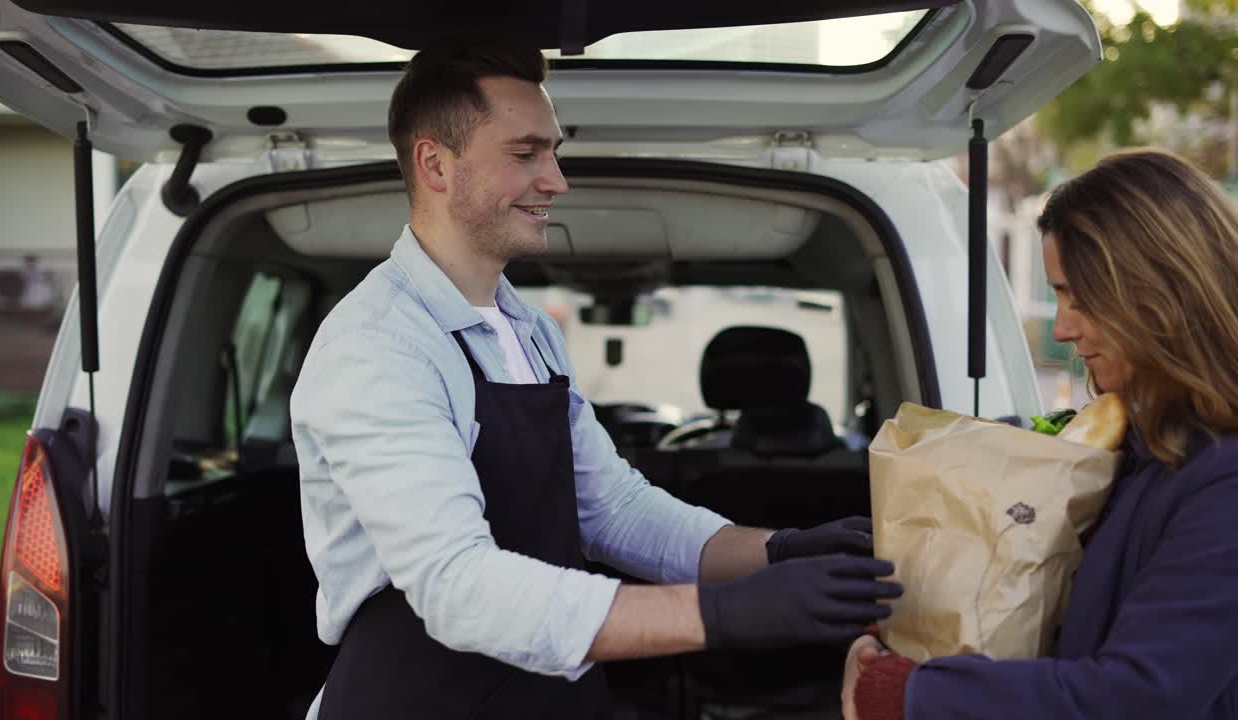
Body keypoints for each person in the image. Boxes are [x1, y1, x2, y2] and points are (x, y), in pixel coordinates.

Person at [290, 36, 903, 720]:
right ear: (436, 164)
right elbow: (457, 586)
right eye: (526, 154)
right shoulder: (378, 346)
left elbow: (611, 508)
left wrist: (775, 551)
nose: (557, 179)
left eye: (554, 151)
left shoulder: (528, 330)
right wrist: (721, 613)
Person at [841, 148, 1238, 720]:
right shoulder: (1134, 447)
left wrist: (913, 694)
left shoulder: (1223, 479)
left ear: (1162, 289)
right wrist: (928, 613)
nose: (1063, 327)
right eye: (1058, 295)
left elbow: (1140, 694)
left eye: (1080, 296)